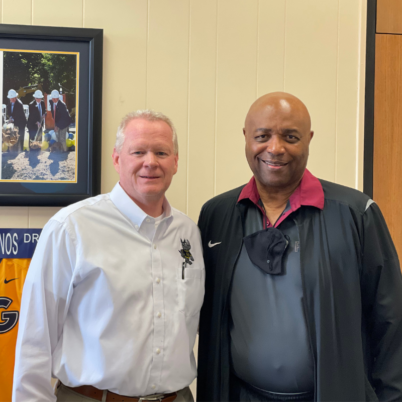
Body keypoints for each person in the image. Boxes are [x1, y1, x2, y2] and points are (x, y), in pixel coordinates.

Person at [197, 92, 402, 402]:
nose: (275, 148)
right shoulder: (218, 214)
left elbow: (391, 320)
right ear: (246, 137)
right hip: (239, 395)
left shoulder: (355, 214)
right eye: (262, 136)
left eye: (290, 137)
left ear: (309, 139)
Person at [13, 110, 205, 402]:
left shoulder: (188, 233)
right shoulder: (71, 228)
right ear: (117, 159)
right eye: (138, 151)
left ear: (175, 162)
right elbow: (35, 336)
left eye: (162, 152)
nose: (150, 162)